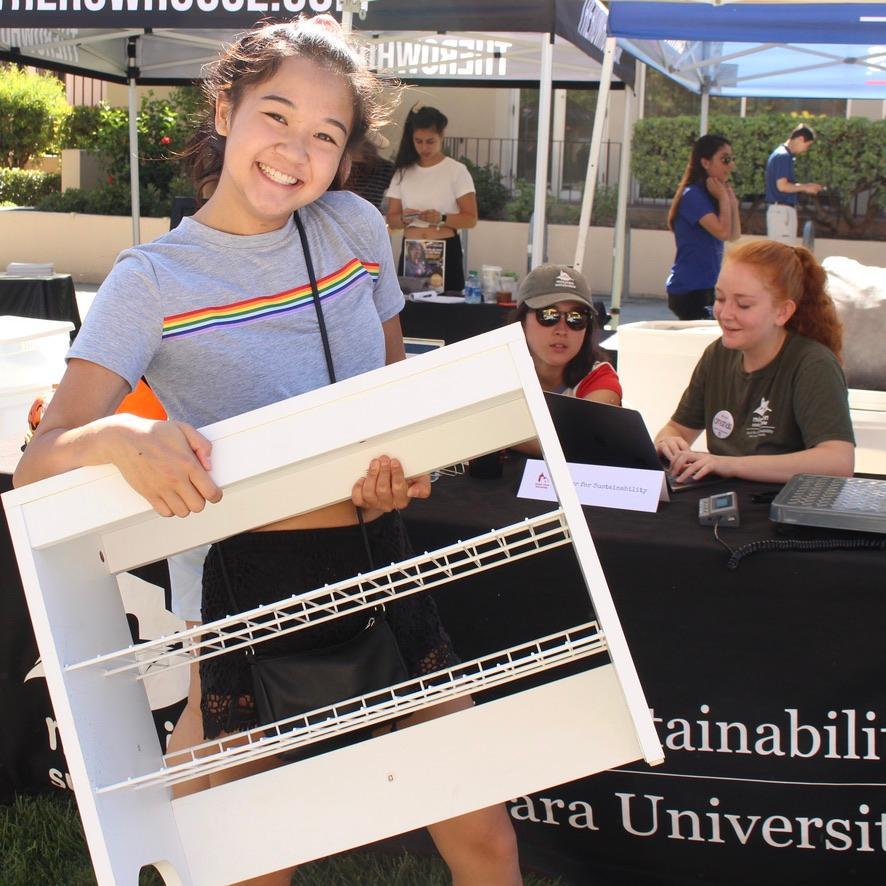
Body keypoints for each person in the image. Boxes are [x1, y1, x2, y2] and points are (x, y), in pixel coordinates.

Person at [13, 17, 520, 886]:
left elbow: (391, 394)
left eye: (324, 135)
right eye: (275, 116)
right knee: (253, 857)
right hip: (251, 588)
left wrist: (405, 466)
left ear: (346, 156)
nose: (295, 150)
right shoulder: (151, 280)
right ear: (224, 106)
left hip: (382, 561)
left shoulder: (358, 229)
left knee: (483, 836)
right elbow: (36, 463)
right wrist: (123, 436)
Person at [655, 240, 855, 485]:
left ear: (783, 312)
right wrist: (669, 442)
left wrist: (729, 464)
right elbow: (676, 428)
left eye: (743, 304)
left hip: (784, 511)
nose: (726, 314)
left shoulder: (813, 365)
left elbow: (838, 462)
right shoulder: (717, 355)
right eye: (719, 298)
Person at [385, 105, 477, 293]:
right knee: (411, 310)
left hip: (445, 250)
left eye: (430, 141)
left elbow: (470, 218)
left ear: (441, 136)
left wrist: (441, 218)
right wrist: (404, 218)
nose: (424, 147)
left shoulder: (456, 170)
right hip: (412, 251)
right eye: (418, 141)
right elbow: (391, 218)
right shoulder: (403, 171)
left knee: (447, 309)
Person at [515, 264, 622, 405]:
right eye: (548, 315)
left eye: (575, 317)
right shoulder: (496, 371)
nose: (562, 330)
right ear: (522, 322)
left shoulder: (599, 381)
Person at [665, 134, 741, 320]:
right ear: (706, 162)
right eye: (725, 159)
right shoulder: (693, 195)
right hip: (689, 289)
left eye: (732, 159)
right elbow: (722, 232)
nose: (730, 165)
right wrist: (723, 198)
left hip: (707, 286)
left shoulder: (711, 193)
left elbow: (734, 234)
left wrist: (731, 202)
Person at [765, 124, 823, 244]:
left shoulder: (782, 155)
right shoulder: (783, 156)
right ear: (800, 139)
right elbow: (782, 186)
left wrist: (805, 186)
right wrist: (806, 187)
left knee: (784, 254)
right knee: (782, 254)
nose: (806, 149)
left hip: (781, 211)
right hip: (782, 212)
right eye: (807, 145)